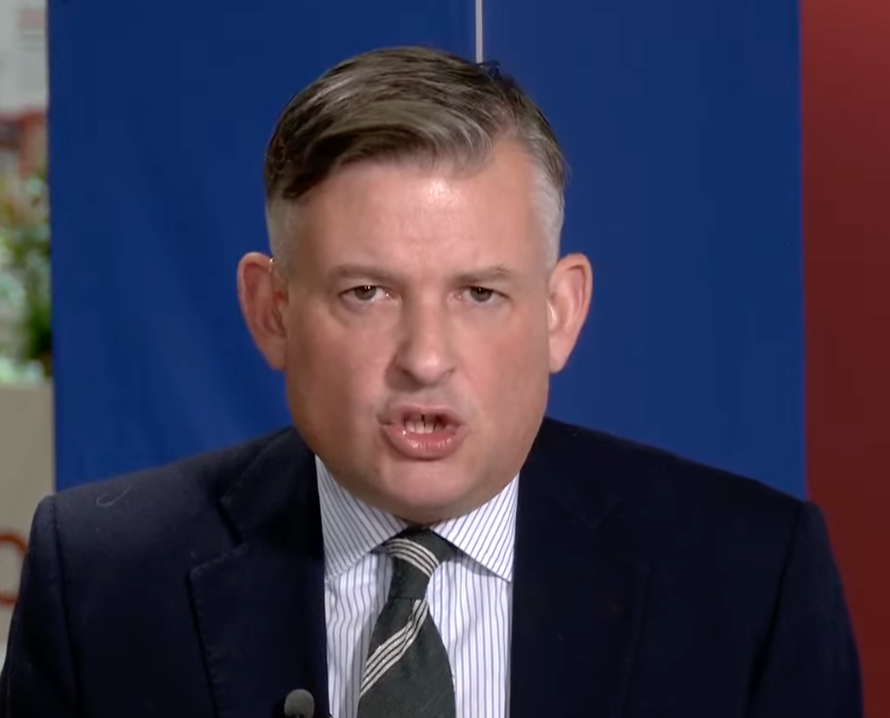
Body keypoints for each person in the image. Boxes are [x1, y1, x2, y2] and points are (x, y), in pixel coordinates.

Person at [0, 47, 860, 718]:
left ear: (560, 313)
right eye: (366, 293)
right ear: (273, 311)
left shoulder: (749, 582)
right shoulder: (104, 582)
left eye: (479, 294)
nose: (425, 357)